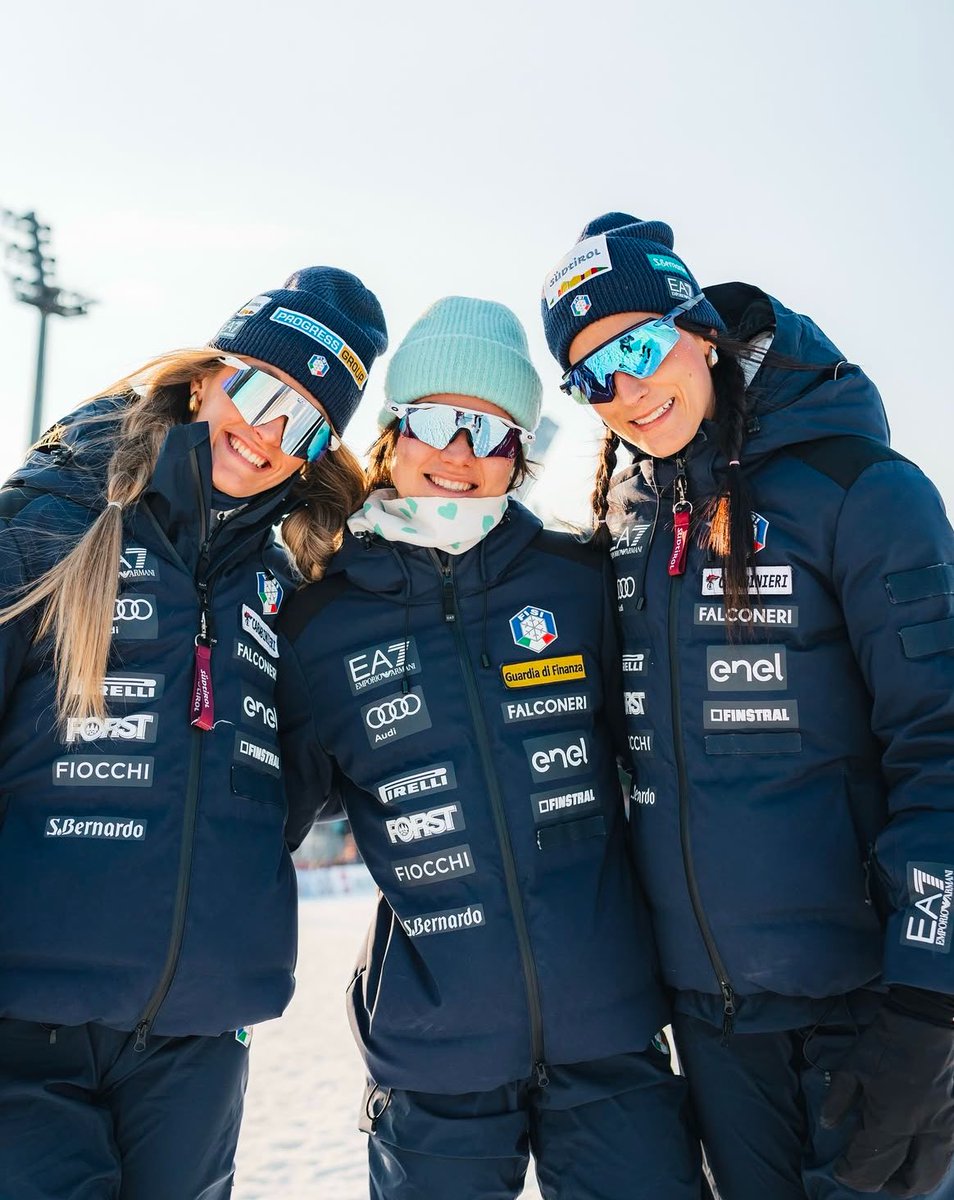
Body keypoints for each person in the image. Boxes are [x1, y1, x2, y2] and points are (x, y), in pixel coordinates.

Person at [540, 212, 954, 1200]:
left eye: (638, 346)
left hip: (872, 1010)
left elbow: (941, 748)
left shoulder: (861, 492)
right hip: (717, 1026)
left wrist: (930, 1007)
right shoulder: (631, 523)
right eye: (593, 376)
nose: (628, 390)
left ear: (702, 327)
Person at [277, 296, 703, 1200]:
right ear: (395, 433)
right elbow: (254, 824)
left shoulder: (581, 578)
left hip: (614, 1036)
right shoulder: (319, 620)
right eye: (435, 421)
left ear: (523, 451)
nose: (460, 455)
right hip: (435, 1058)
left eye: (491, 431)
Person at [0, 266, 387, 1200]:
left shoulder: (280, 586)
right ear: (207, 378)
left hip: (198, 1042)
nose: (266, 432)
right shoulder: (55, 521)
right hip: (26, 1027)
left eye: (305, 424)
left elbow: (283, 794)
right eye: (258, 390)